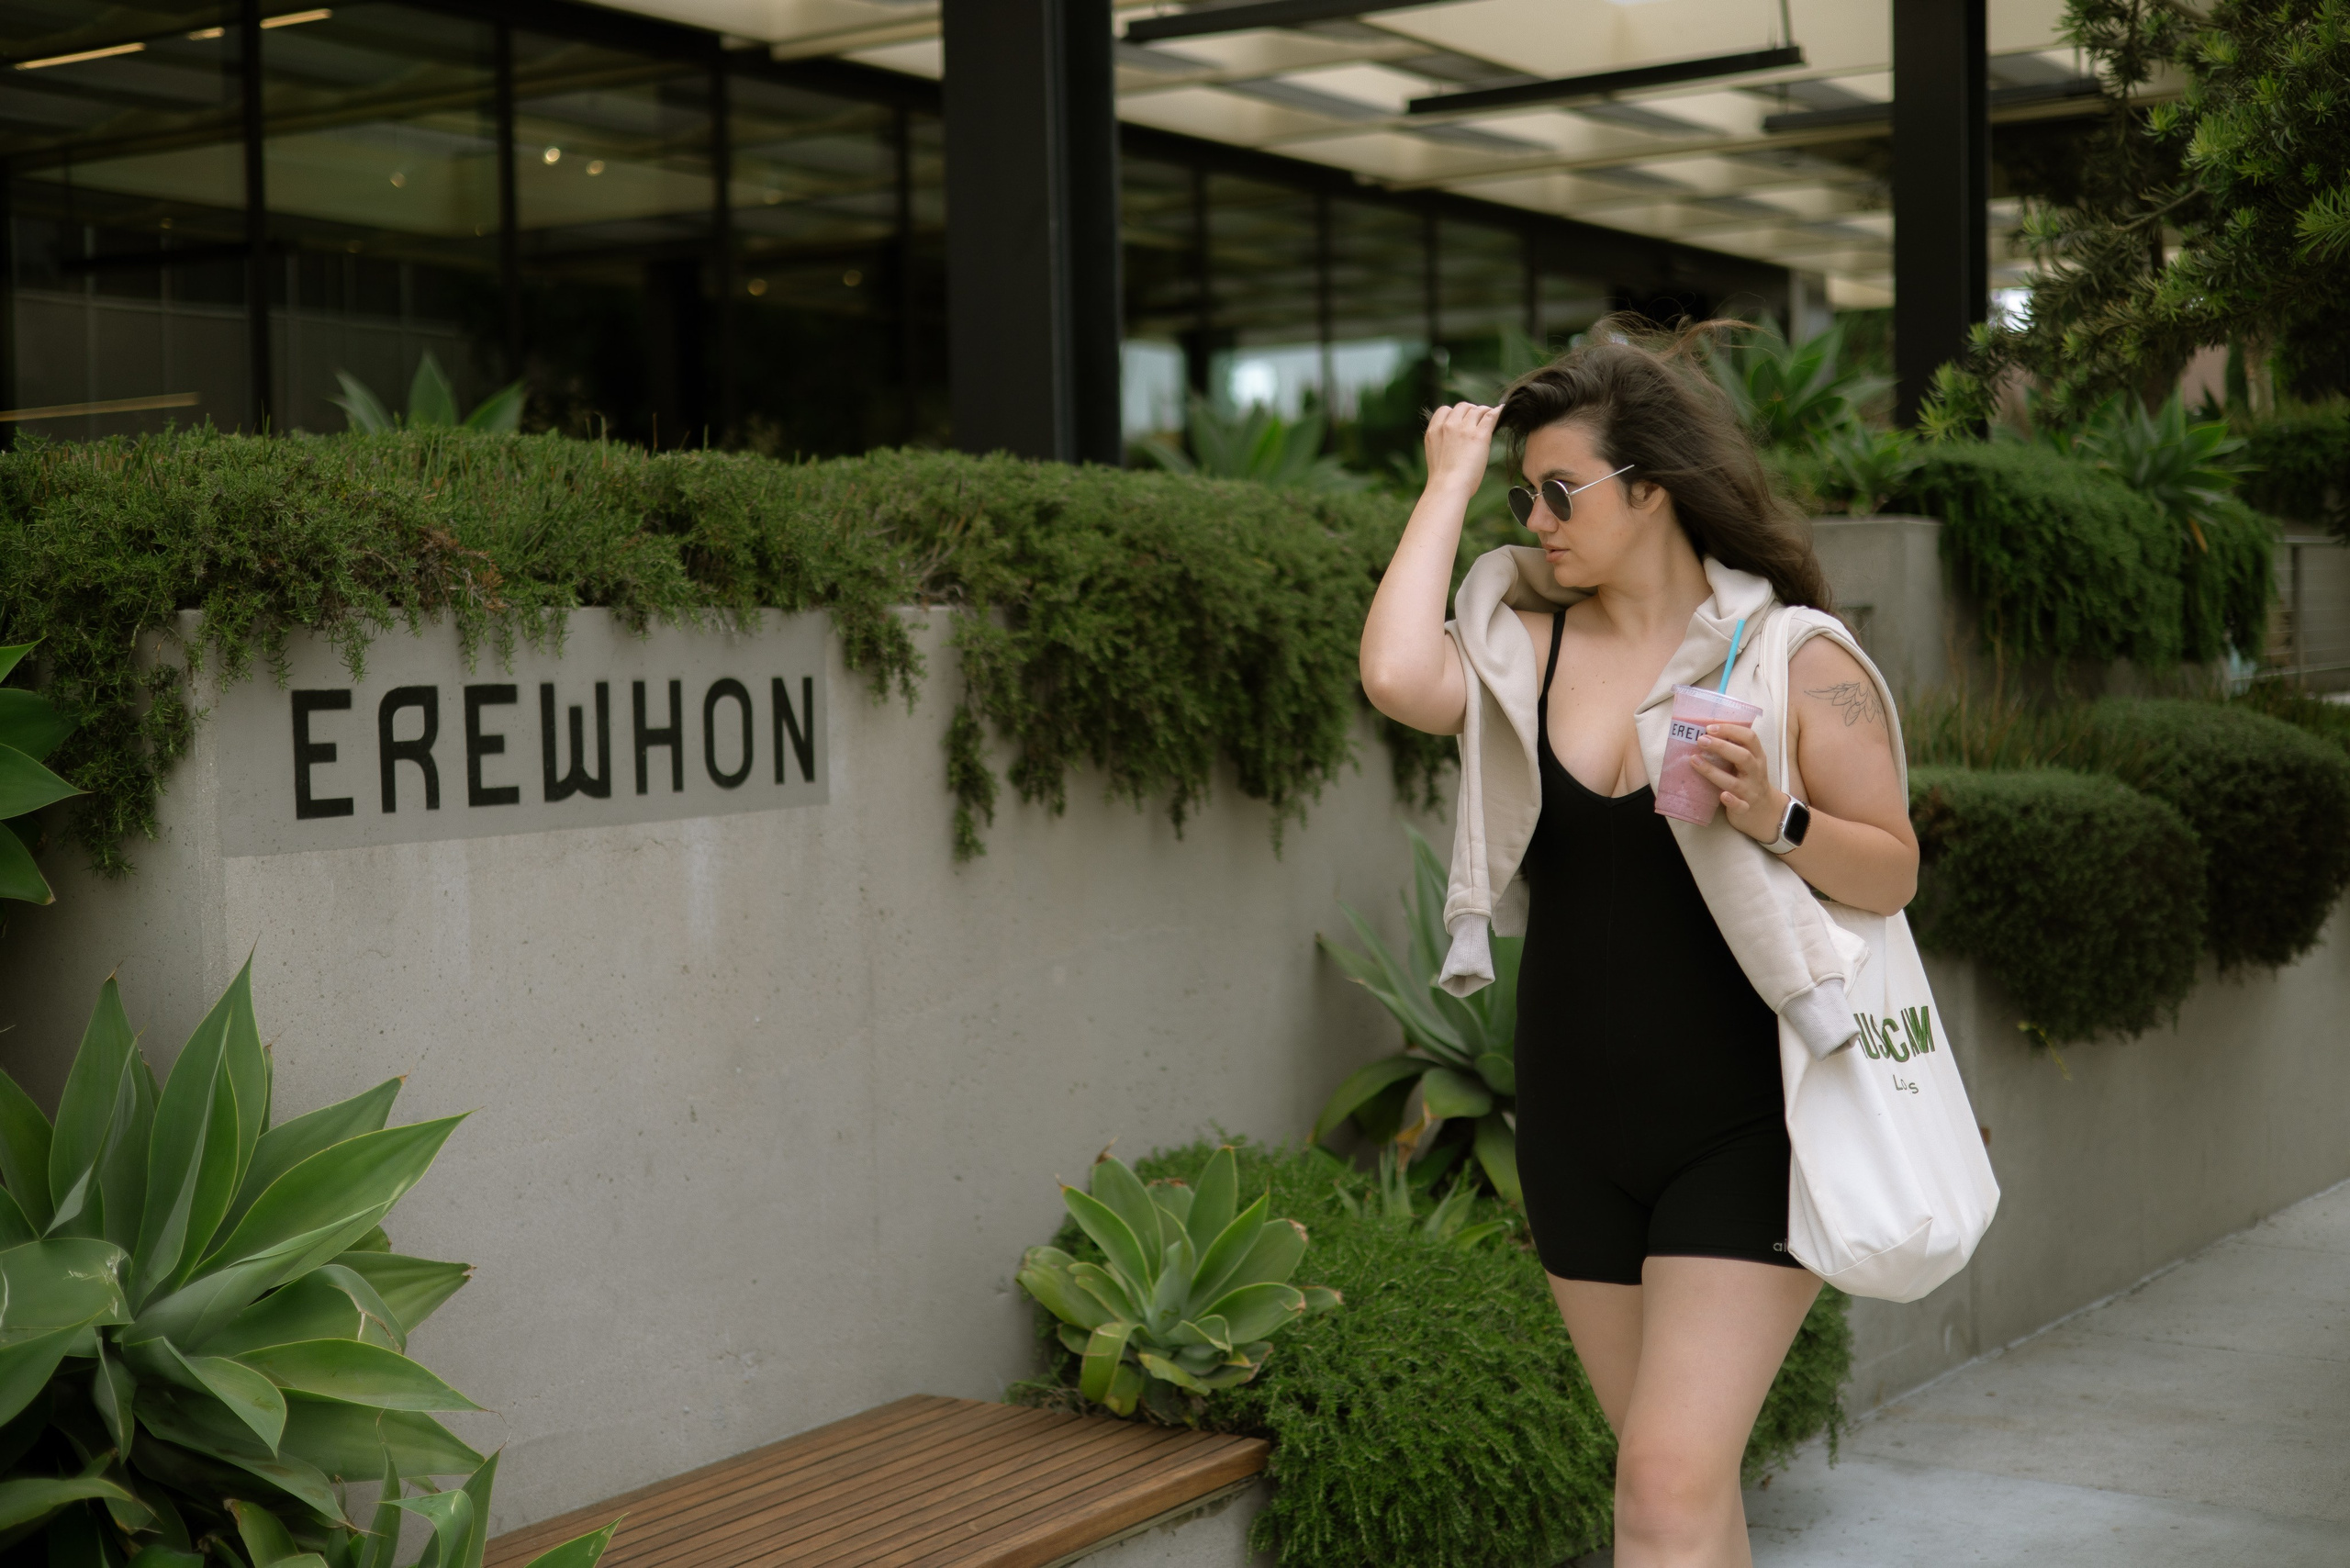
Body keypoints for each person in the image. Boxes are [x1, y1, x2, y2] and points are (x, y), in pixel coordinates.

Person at [1358, 319, 1919, 1567]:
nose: (1540, 520)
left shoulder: (1790, 658)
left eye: (1562, 491)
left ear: (1651, 488)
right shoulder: (1526, 647)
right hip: (1575, 1133)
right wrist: (1450, 483)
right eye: (1525, 496)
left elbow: (1892, 865)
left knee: (1662, 1489)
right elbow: (1399, 675)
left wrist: (1771, 813)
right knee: (1680, 1495)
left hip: (1747, 1124)